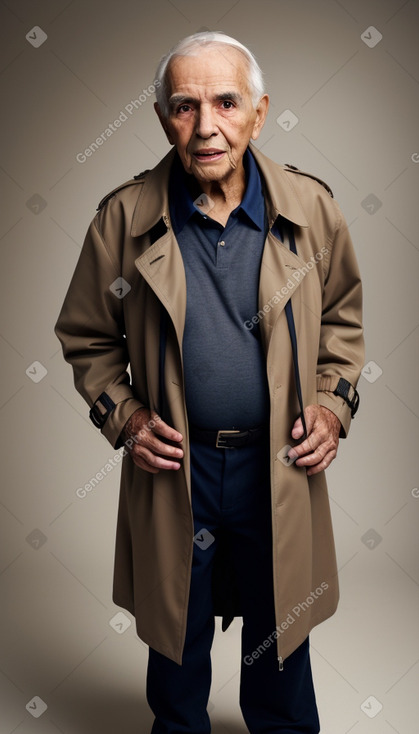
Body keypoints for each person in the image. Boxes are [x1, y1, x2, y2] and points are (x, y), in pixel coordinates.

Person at [55, 31, 364, 734]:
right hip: (177, 464)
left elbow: (343, 325)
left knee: (280, 632)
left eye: (225, 102)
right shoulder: (123, 219)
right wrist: (126, 419)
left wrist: (330, 407)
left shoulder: (311, 210)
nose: (206, 126)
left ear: (259, 113)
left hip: (278, 462)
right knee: (176, 633)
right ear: (163, 117)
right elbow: (86, 337)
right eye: (184, 106)